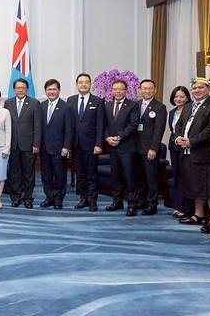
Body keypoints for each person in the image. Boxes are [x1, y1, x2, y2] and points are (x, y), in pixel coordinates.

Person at [174, 77, 210, 234]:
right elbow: (180, 124)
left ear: (208, 89)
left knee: (209, 187)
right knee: (195, 185)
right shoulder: (188, 106)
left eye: (200, 87)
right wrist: (178, 137)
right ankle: (198, 214)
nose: (197, 90)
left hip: (204, 153)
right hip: (187, 152)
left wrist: (191, 141)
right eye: (194, 88)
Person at [66, 73, 105, 211]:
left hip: (91, 145)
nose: (83, 84)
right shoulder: (70, 100)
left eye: (86, 82)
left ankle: (93, 200)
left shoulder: (98, 101)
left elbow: (101, 125)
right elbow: (69, 125)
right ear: (76, 84)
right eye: (81, 82)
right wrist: (68, 145)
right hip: (75, 145)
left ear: (90, 84)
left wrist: (99, 144)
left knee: (91, 174)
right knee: (80, 174)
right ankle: (83, 198)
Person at [103, 79, 140, 215]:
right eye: (115, 89)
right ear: (111, 91)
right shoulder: (107, 105)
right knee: (116, 176)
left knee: (130, 177)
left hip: (127, 147)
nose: (118, 91)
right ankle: (117, 201)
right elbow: (104, 124)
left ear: (126, 91)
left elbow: (133, 125)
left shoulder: (133, 105)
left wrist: (119, 137)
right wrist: (107, 138)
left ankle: (132, 204)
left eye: (121, 89)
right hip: (112, 147)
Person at [4, 78, 41, 208]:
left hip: (29, 145)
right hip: (13, 144)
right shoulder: (8, 103)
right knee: (14, 173)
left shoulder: (34, 103)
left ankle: (28, 198)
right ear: (14, 89)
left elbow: (38, 125)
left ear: (27, 89)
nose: (20, 90)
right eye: (18, 87)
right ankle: (15, 197)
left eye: (23, 88)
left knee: (29, 173)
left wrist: (36, 144)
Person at [134, 79, 167, 215]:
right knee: (139, 177)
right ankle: (142, 201)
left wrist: (154, 148)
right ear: (140, 90)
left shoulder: (159, 107)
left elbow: (159, 130)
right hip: (136, 148)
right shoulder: (136, 105)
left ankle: (152, 204)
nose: (146, 91)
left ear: (154, 90)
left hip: (149, 149)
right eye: (144, 88)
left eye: (149, 88)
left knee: (151, 178)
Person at [39, 79, 73, 210]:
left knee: (60, 175)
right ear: (45, 91)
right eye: (49, 89)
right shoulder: (41, 106)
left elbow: (69, 129)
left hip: (59, 148)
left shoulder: (66, 107)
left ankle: (58, 199)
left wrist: (66, 147)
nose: (51, 92)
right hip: (44, 148)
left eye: (54, 89)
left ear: (59, 90)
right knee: (46, 175)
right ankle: (49, 197)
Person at [167, 85, 194, 218]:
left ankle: (187, 208)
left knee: (186, 177)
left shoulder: (191, 111)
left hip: (186, 148)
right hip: (174, 148)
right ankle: (178, 205)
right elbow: (172, 131)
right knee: (177, 176)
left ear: (187, 98)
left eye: (182, 96)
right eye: (176, 96)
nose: (179, 99)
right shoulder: (172, 112)